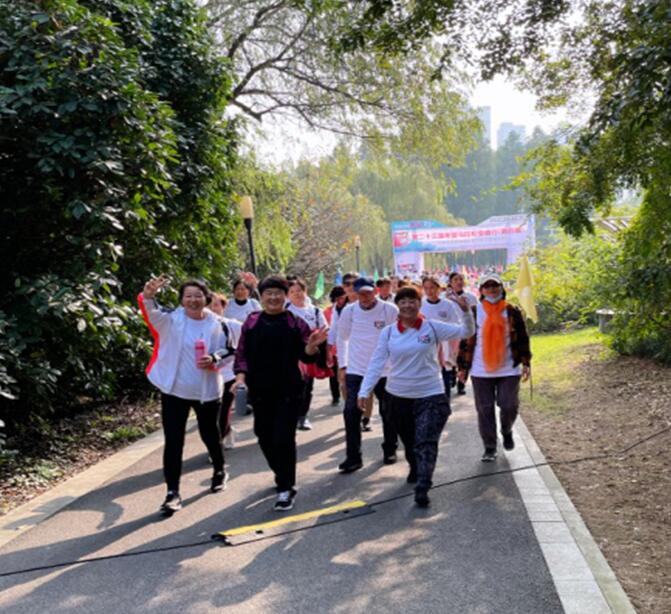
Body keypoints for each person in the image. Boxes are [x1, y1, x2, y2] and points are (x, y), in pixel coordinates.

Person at [358, 286, 474, 507]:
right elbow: (376, 362)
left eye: (412, 301)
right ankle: (416, 467)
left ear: (419, 304)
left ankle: (423, 484)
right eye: (403, 302)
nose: (408, 305)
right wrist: (364, 391)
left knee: (426, 441)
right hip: (398, 396)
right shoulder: (389, 332)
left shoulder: (432, 327)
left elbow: (465, 332)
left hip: (430, 393)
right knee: (410, 442)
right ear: (397, 306)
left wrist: (465, 312)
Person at [233, 276, 328, 511]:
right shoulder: (252, 321)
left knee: (283, 438)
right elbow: (242, 354)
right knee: (263, 436)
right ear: (261, 296)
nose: (274, 297)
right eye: (269, 293)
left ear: (285, 296)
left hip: (289, 389)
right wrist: (240, 379)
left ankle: (286, 488)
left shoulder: (295, 323)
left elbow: (306, 357)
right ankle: (281, 474)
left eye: (278, 293)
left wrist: (311, 346)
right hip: (260, 390)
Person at [138, 277, 229, 515]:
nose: (193, 300)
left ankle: (219, 469)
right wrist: (148, 295)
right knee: (173, 440)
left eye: (198, 296)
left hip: (206, 392)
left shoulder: (217, 323)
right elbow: (151, 312)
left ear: (206, 298)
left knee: (210, 434)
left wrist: (215, 358)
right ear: (181, 300)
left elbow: (228, 349)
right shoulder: (170, 320)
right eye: (188, 296)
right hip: (175, 391)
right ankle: (172, 493)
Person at [457, 273, 531, 463]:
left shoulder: (511, 310)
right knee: (485, 409)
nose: (491, 289)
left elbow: (522, 338)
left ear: (501, 288)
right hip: (481, 370)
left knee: (509, 405)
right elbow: (465, 340)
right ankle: (489, 447)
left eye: (495, 285)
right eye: (487, 286)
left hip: (509, 368)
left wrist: (526, 362)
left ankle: (506, 430)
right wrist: (462, 367)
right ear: (481, 290)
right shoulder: (475, 312)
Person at [337, 277, 399, 473]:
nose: (365, 297)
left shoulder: (389, 310)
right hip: (357, 369)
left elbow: (398, 337)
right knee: (351, 412)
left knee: (388, 412)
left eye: (368, 292)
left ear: (375, 291)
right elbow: (342, 337)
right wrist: (343, 365)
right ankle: (353, 457)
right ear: (355, 293)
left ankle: (390, 449)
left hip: (384, 370)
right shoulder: (349, 311)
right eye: (361, 293)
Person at [286, 277, 328, 430]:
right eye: (292, 291)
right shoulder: (285, 311)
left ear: (305, 291)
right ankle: (290, 416)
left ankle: (302, 416)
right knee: (290, 386)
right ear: (287, 294)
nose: (297, 294)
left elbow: (325, 329)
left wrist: (317, 339)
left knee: (306, 386)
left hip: (309, 353)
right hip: (289, 355)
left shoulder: (315, 311)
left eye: (299, 290)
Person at [420, 276, 464, 397]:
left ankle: (445, 400)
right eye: (426, 288)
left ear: (438, 288)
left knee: (445, 376)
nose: (429, 291)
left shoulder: (447, 305)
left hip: (445, 346)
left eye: (432, 288)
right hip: (426, 345)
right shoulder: (420, 304)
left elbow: (456, 324)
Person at [209, 292, 241, 449]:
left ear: (223, 307)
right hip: (207, 377)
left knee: (223, 410)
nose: (212, 309)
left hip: (229, 376)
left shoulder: (232, 325)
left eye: (216, 305)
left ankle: (218, 445)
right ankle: (227, 431)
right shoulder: (197, 327)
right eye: (208, 306)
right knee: (211, 414)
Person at [323, 286, 348, 405]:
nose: (339, 301)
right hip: (338, 350)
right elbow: (332, 330)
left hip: (355, 349)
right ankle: (341, 399)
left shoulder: (353, 307)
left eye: (341, 298)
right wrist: (328, 349)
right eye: (337, 299)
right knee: (340, 378)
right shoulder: (332, 310)